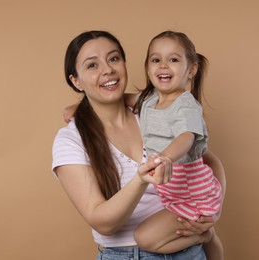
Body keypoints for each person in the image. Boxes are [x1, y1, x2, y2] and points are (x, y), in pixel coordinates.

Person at [53, 30, 226, 260]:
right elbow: (102, 222)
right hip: (126, 254)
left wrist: (212, 214)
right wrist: (141, 179)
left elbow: (208, 161)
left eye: (114, 58)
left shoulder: (153, 112)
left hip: (187, 250)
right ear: (76, 81)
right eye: (92, 65)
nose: (107, 69)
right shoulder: (71, 139)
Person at [122, 31, 224, 259]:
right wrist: (81, 108)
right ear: (148, 69)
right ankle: (208, 238)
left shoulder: (185, 105)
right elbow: (121, 99)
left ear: (191, 70)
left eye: (173, 60)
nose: (163, 66)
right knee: (148, 237)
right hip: (173, 192)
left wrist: (166, 157)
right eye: (156, 60)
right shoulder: (148, 101)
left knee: (145, 239)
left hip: (192, 193)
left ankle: (204, 236)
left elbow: (186, 137)